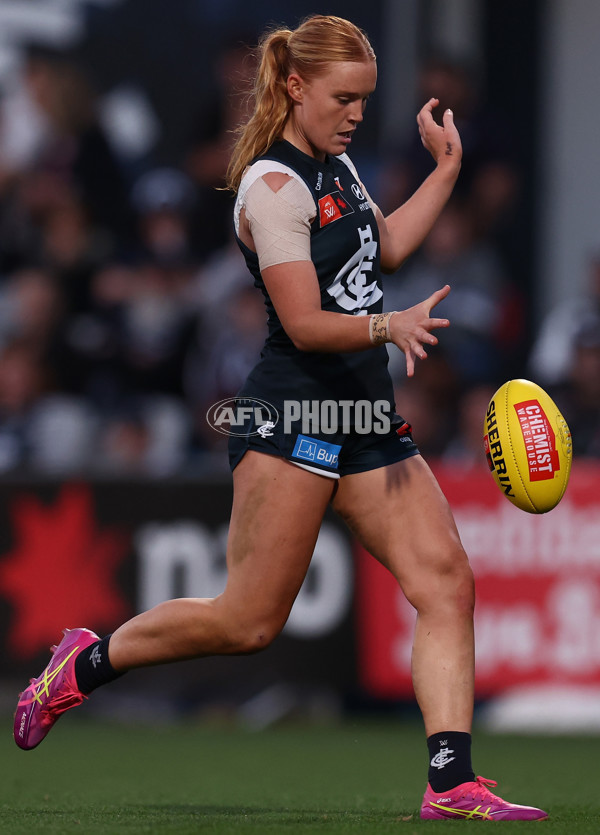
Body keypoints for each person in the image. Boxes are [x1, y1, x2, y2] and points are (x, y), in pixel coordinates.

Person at [13, 15, 546, 822]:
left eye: (365, 98)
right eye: (344, 98)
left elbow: (384, 249)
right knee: (247, 622)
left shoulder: (338, 167)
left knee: (446, 581)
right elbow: (302, 323)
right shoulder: (271, 188)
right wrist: (387, 325)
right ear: (297, 87)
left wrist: (446, 171)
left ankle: (451, 781)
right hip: (294, 412)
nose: (357, 114)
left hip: (365, 416)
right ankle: (83, 664)